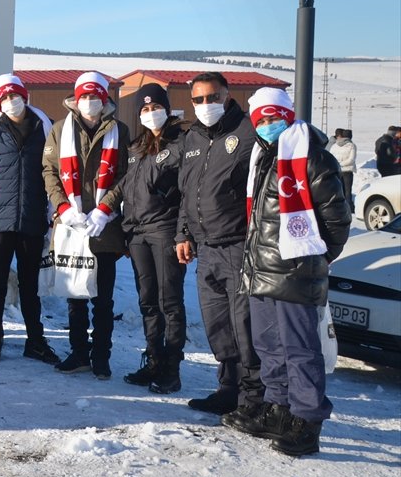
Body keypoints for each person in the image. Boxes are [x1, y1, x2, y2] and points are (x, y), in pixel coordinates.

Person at [222, 88, 350, 456]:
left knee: (300, 350)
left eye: (274, 117)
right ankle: (277, 411)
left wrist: (314, 259)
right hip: (262, 271)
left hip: (294, 274)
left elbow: (337, 221)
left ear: (289, 116)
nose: (267, 124)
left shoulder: (313, 159)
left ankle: (307, 421)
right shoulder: (263, 157)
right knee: (269, 347)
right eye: (260, 119)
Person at [175, 72, 264, 415]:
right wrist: (183, 233)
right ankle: (228, 389)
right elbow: (187, 192)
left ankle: (254, 398)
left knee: (245, 325)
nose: (205, 105)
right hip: (205, 247)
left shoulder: (247, 132)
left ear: (227, 97)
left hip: (238, 245)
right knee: (218, 324)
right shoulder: (193, 137)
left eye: (212, 97)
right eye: (198, 99)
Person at [41, 72, 129, 379]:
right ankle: (78, 352)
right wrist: (63, 207)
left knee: (103, 299)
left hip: (104, 227)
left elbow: (125, 174)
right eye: (84, 96)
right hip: (71, 225)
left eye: (95, 96)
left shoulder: (120, 130)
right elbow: (49, 172)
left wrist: (105, 208)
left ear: (104, 100)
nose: (89, 101)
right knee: (75, 296)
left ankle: (101, 356)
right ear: (75, 99)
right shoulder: (59, 130)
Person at [0, 74, 60, 365]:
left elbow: (55, 173)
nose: (11, 101)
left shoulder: (46, 128)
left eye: (15, 95)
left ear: (25, 95)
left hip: (33, 220)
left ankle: (35, 341)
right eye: (5, 98)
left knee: (30, 286)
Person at [113, 84, 187, 393]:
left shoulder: (181, 144)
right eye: (144, 110)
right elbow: (126, 187)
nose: (150, 113)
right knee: (147, 301)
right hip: (137, 233)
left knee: (169, 301)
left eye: (155, 107)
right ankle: (154, 360)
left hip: (165, 231)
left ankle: (171, 369)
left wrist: (184, 233)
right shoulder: (137, 147)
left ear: (166, 109)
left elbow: (187, 194)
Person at [327, 128, 356, 204]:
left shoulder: (334, 146)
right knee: (348, 192)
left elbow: (331, 157)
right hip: (348, 171)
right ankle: (348, 208)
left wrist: (338, 164)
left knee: (340, 191)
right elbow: (351, 159)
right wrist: (342, 164)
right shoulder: (351, 146)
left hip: (338, 171)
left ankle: (341, 207)